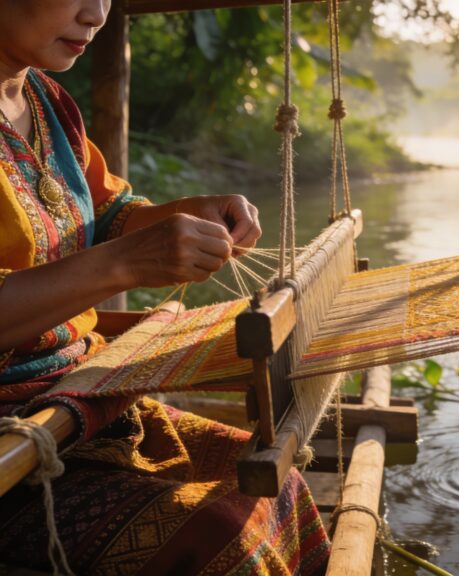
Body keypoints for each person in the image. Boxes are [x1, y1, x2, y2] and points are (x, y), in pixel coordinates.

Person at [0, 1, 330, 574]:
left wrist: (191, 215)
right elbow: (115, 249)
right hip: (15, 447)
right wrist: (125, 264)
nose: (96, 14)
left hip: (74, 404)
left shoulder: (46, 101)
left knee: (277, 485)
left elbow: (107, 214)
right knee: (222, 539)